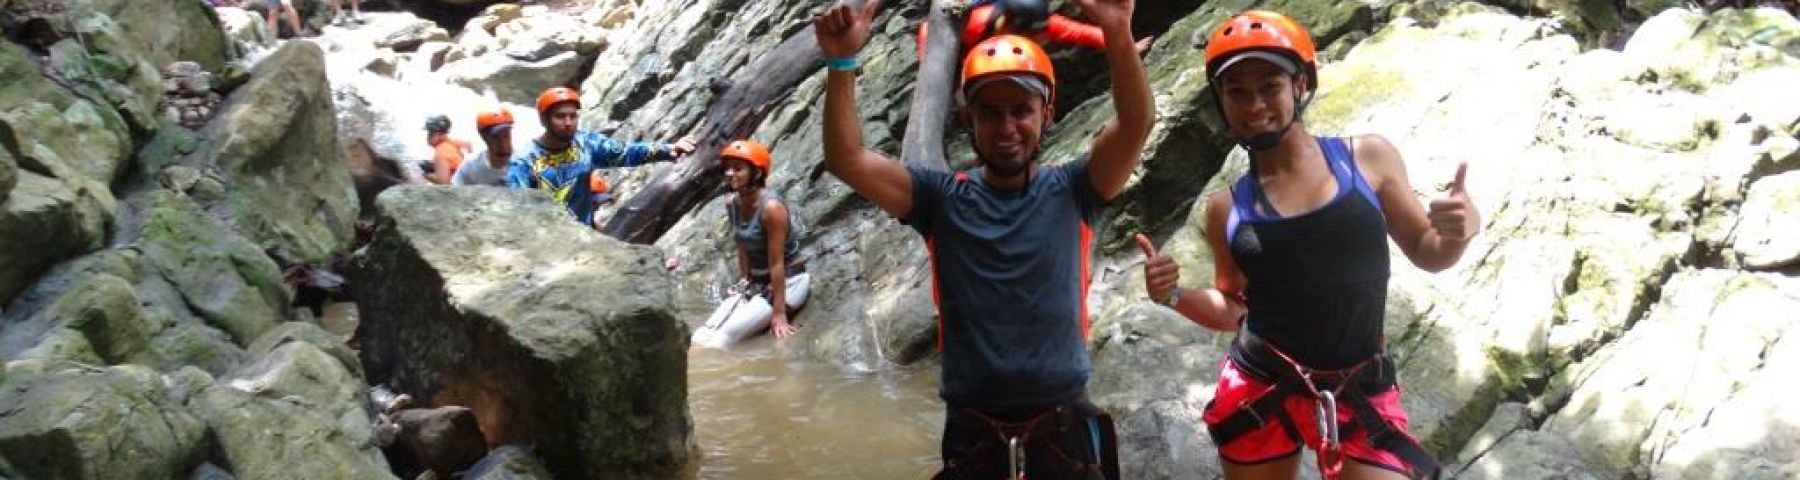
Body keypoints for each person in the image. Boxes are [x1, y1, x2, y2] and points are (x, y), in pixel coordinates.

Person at [1135, 10, 1478, 480]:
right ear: (1221, 101)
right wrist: (1171, 295)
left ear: (1300, 85)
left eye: (1270, 86)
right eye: (1237, 92)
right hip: (1260, 387)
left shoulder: (1368, 158)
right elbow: (1233, 307)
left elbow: (1428, 251)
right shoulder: (1225, 209)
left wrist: (1459, 231)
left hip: (1358, 389)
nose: (1255, 104)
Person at [814, 0, 1151, 476]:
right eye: (989, 113)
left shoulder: (1077, 189)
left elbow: (1136, 123)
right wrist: (841, 62)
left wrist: (1117, 31)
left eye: (1021, 111)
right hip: (975, 436)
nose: (1006, 127)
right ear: (968, 119)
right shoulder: (940, 200)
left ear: (1047, 114)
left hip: (1062, 431)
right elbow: (846, 159)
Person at [507, 87, 697, 225]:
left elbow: (625, 151)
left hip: (585, 239)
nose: (568, 122)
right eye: (560, 116)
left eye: (573, 116)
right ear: (543, 119)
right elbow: (518, 210)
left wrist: (669, 150)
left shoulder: (586, 143)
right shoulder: (523, 162)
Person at [691, 140, 813, 348]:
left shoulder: (771, 209)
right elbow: (742, 246)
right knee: (702, 334)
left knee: (723, 339)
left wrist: (779, 314)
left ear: (756, 173)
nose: (730, 173)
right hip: (758, 283)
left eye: (738, 168)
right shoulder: (733, 204)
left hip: (789, 281)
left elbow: (777, 263)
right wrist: (745, 281)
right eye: (727, 169)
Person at [452, 108, 515, 187]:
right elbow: (454, 190)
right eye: (495, 137)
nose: (503, 143)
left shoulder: (524, 162)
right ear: (484, 137)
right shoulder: (470, 167)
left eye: (506, 135)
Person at [425, 114, 471, 185]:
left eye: (432, 134)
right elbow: (468, 145)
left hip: (459, 188)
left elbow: (444, 183)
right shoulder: (450, 143)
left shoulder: (441, 153)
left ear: (442, 135)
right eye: (429, 133)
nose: (428, 137)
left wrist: (426, 174)